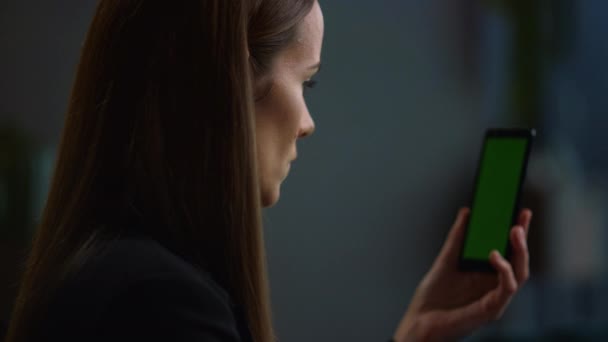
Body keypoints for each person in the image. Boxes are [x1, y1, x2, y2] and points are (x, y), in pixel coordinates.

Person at [5, 1, 532, 341]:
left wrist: (414, 335)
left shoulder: (105, 269)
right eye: (308, 82)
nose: (307, 124)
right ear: (228, 82)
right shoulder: (162, 306)